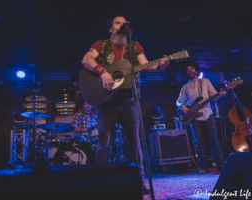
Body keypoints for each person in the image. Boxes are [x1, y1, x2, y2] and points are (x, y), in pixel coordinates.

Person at [81, 15, 169, 187]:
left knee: (135, 144)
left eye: (124, 23)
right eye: (117, 22)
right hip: (106, 103)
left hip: (130, 102)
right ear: (110, 28)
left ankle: (139, 181)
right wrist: (102, 71)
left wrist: (160, 66)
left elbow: (145, 64)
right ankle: (102, 182)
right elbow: (86, 60)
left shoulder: (134, 46)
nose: (121, 25)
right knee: (103, 143)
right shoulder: (101, 44)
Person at [176, 61, 226, 174]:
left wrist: (220, 94)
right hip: (195, 118)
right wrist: (182, 105)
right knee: (199, 142)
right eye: (188, 69)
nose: (190, 70)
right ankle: (203, 167)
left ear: (196, 70)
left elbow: (214, 95)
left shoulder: (205, 81)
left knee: (214, 140)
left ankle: (221, 166)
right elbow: (178, 102)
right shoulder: (185, 87)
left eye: (192, 68)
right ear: (186, 73)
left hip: (208, 114)